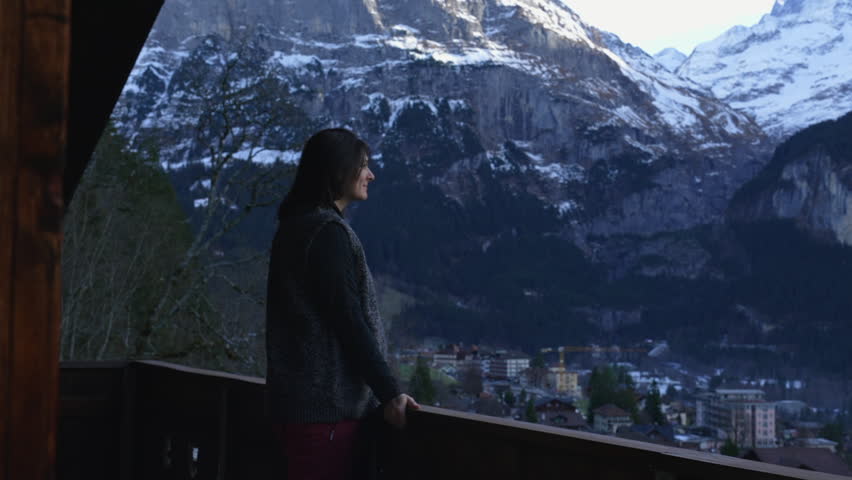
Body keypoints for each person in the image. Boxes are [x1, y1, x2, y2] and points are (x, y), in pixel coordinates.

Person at [265, 128, 421, 479]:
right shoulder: (326, 233)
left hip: (298, 409)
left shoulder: (294, 226)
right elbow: (349, 321)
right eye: (363, 166)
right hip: (327, 417)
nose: (371, 174)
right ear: (338, 170)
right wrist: (391, 393)